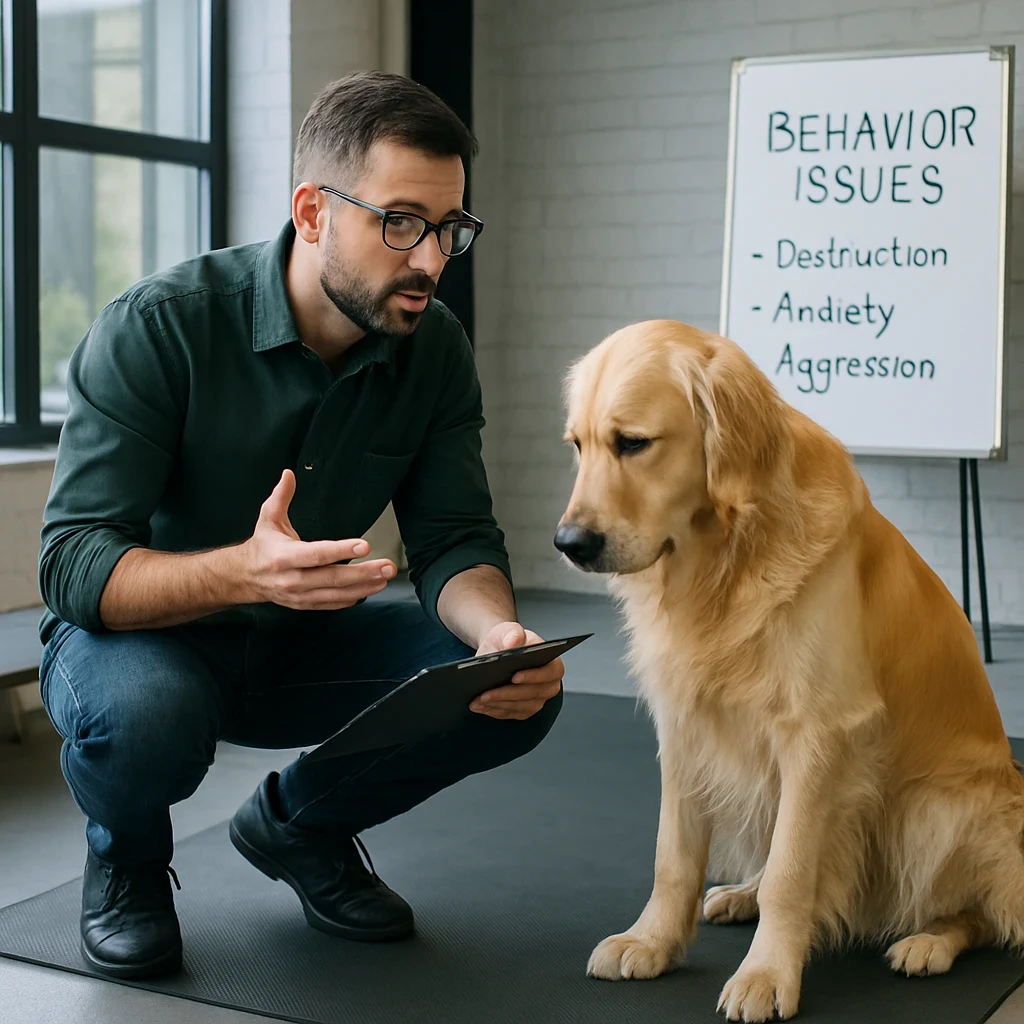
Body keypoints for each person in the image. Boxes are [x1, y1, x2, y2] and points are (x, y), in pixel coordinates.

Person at [36, 71, 565, 981]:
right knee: (146, 713)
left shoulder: (432, 346)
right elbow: (73, 567)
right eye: (401, 221)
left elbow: (456, 537)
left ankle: (299, 825)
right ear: (314, 211)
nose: (431, 260)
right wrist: (244, 572)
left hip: (296, 645)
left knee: (512, 689)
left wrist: (497, 635)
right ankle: (125, 862)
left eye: (449, 229)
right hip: (140, 646)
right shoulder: (158, 328)